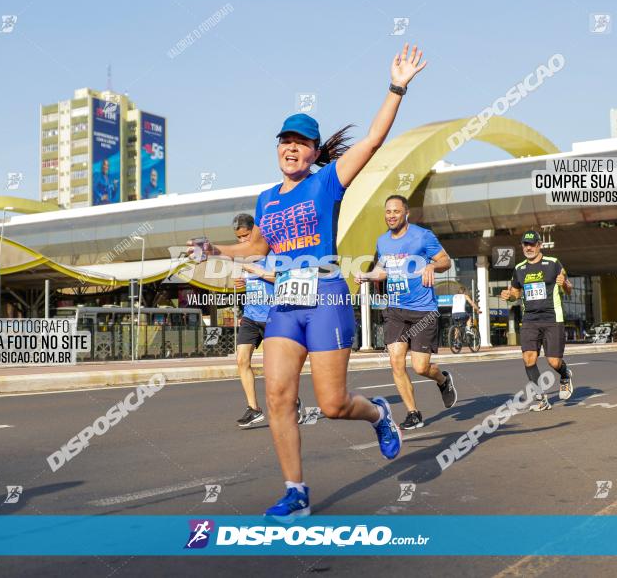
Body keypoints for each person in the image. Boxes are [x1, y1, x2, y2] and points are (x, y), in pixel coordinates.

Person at [188, 44, 427, 520]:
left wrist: (397, 87)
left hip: (326, 297)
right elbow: (258, 249)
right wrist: (217, 251)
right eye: (285, 141)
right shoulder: (265, 199)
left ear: (315, 152)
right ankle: (296, 490)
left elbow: (374, 141)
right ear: (277, 148)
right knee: (278, 395)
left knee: (334, 404)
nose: (291, 148)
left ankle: (378, 413)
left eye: (301, 142)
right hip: (285, 305)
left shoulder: (326, 183)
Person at [354, 194, 457, 430]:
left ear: (406, 213)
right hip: (396, 310)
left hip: (423, 310)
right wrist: (367, 276)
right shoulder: (382, 241)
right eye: (388, 212)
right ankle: (413, 413)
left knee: (420, 367)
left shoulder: (422, 236)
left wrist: (431, 265)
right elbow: (383, 271)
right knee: (396, 362)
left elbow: (446, 261)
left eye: (396, 211)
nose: (391, 216)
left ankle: (442, 379)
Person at [231, 214, 306, 427]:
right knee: (241, 360)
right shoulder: (243, 256)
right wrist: (240, 284)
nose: (242, 241)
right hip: (250, 316)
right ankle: (254, 409)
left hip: (274, 315)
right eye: (239, 237)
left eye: (246, 236)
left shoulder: (270, 252)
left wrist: (258, 271)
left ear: (254, 232)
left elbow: (281, 277)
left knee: (277, 369)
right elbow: (244, 281)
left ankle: (294, 402)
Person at [500, 230, 575, 411]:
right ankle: (541, 398)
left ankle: (565, 376)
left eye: (532, 244)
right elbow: (516, 294)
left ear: (539, 245)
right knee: (529, 359)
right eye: (525, 244)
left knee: (554, 362)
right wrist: (509, 296)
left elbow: (569, 289)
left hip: (552, 317)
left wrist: (564, 283)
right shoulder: (519, 268)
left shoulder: (553, 263)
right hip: (530, 319)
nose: (528, 247)